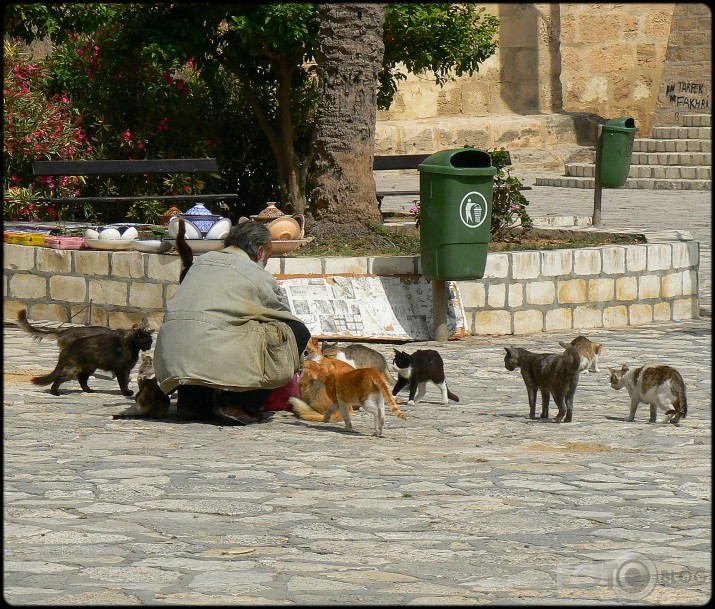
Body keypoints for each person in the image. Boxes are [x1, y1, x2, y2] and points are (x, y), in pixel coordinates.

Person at [154, 220, 311, 425]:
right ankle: (238, 403)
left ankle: (192, 399)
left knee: (205, 332)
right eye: (268, 256)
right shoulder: (255, 274)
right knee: (296, 332)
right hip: (208, 352)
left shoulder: (201, 262)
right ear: (260, 251)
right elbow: (284, 317)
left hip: (169, 361)